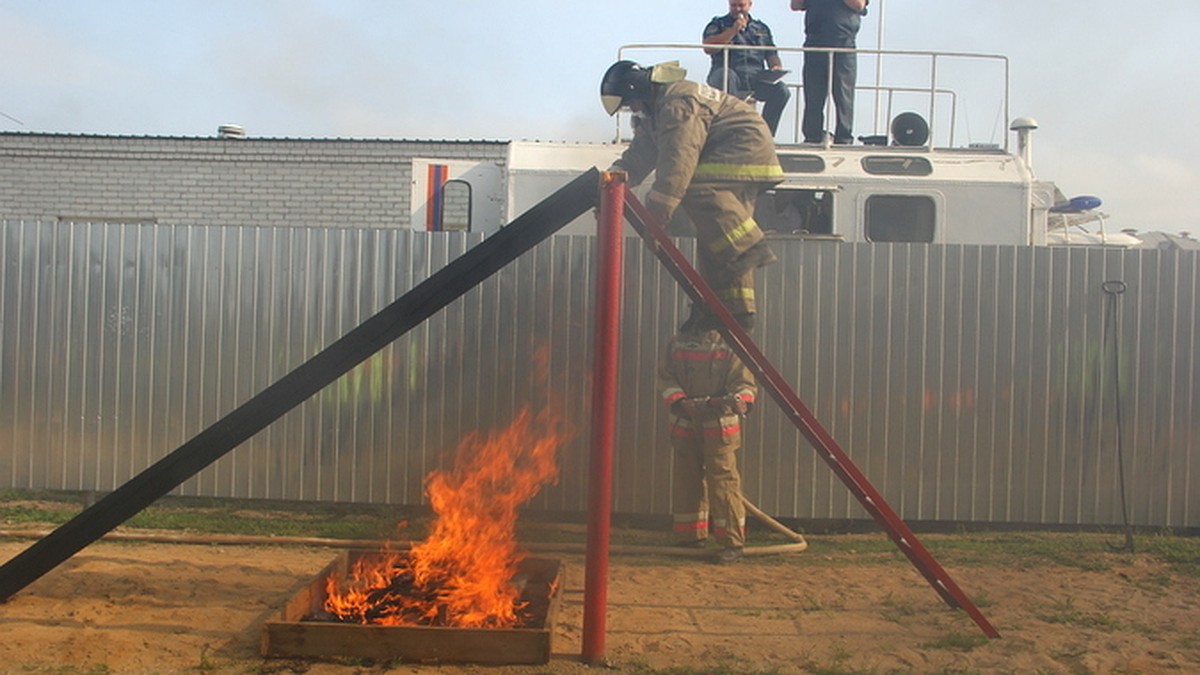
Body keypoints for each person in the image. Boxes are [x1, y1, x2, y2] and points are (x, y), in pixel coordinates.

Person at [599, 59, 783, 330]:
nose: (632, 109)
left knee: (695, 188)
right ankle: (734, 309)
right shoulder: (656, 111)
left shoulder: (677, 103)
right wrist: (612, 178)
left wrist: (658, 212)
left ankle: (750, 247)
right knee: (713, 234)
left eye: (631, 102)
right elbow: (640, 156)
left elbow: (678, 159)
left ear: (637, 90)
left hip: (743, 147)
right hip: (729, 149)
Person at [657, 315, 758, 564]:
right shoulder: (677, 343)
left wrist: (740, 401)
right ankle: (689, 537)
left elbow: (745, 384)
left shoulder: (731, 343)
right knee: (687, 480)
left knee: (723, 483)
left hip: (718, 425)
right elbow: (666, 378)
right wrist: (681, 401)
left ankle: (732, 543)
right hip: (687, 423)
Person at [702, 0, 791, 136]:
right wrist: (733, 30)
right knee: (727, 78)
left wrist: (776, 66)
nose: (738, 9)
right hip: (728, 73)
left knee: (781, 91)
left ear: (750, 5)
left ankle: (763, 134)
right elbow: (708, 47)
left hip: (755, 75)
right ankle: (732, 133)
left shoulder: (761, 28)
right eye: (734, 5)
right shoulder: (718, 24)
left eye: (741, 5)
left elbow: (771, 53)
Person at [791, 0, 868, 144]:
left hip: (843, 44)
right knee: (813, 95)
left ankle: (844, 138)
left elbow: (858, 4)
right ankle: (812, 136)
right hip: (815, 43)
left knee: (843, 95)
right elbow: (796, 5)